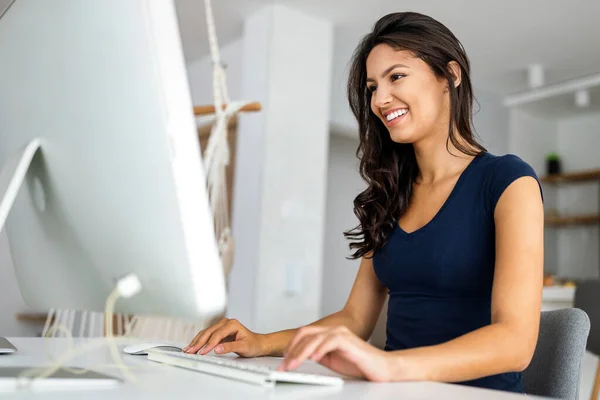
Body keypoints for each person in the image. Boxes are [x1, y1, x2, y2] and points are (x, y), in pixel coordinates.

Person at [184, 11, 544, 393]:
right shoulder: (392, 195)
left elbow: (515, 343)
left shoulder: (508, 182)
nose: (380, 99)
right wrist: (260, 341)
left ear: (449, 76)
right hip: (395, 390)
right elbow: (355, 318)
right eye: (372, 86)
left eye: (396, 76)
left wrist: (388, 365)